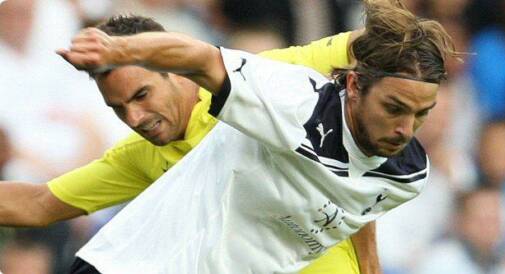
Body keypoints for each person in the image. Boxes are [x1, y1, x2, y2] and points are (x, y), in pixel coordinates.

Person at [58, 0, 457, 273]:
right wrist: (121, 50)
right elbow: (199, 57)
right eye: (395, 108)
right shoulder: (287, 97)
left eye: (421, 114)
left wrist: (370, 264)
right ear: (353, 85)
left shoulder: (409, 174)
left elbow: (361, 189)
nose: (406, 128)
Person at [0, 12, 379, 274]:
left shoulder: (259, 80)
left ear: (177, 70)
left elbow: (373, 43)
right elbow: (36, 204)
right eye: (118, 108)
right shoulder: (140, 157)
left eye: (142, 95)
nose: (134, 119)